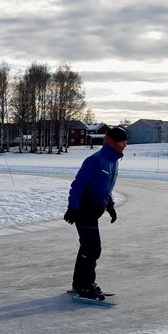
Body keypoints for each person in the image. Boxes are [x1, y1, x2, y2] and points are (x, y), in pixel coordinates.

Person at [63, 126, 128, 300]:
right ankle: (85, 286)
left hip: (94, 210)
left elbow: (105, 189)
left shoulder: (113, 161)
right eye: (122, 142)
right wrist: (73, 207)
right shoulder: (95, 160)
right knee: (93, 249)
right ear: (113, 142)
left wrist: (110, 206)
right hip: (84, 209)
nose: (125, 145)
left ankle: (79, 284)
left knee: (87, 247)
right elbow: (78, 184)